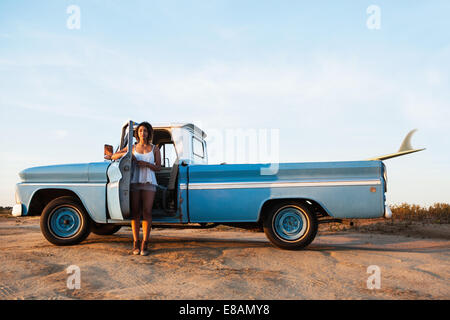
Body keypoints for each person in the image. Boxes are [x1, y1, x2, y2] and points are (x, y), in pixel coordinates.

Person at [111, 122, 161, 256]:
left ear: (149, 133)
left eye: (145, 131)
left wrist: (146, 164)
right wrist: (128, 156)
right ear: (137, 133)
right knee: (135, 212)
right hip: (134, 181)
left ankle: (145, 242)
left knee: (147, 212)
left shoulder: (155, 148)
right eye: (140, 131)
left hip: (149, 182)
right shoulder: (131, 147)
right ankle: (135, 241)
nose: (142, 133)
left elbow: (158, 167)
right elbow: (113, 156)